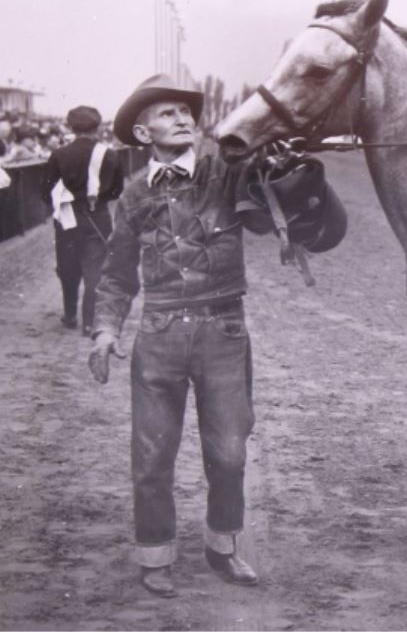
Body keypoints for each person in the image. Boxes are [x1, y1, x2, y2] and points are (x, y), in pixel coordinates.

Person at [88, 74, 277, 598]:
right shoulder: (131, 196)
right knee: (151, 458)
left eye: (186, 112)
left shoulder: (225, 173)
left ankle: (223, 547)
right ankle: (155, 556)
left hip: (223, 329)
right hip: (159, 335)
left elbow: (264, 210)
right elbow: (118, 273)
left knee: (231, 453)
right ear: (143, 133)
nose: (183, 119)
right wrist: (105, 330)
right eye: (167, 113)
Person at [40, 105, 125, 334]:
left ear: (71, 126)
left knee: (68, 268)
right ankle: (90, 322)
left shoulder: (59, 154)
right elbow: (118, 191)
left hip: (68, 217)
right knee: (95, 271)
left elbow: (45, 191)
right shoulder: (110, 154)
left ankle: (69, 315)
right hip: (98, 215)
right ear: (97, 127)